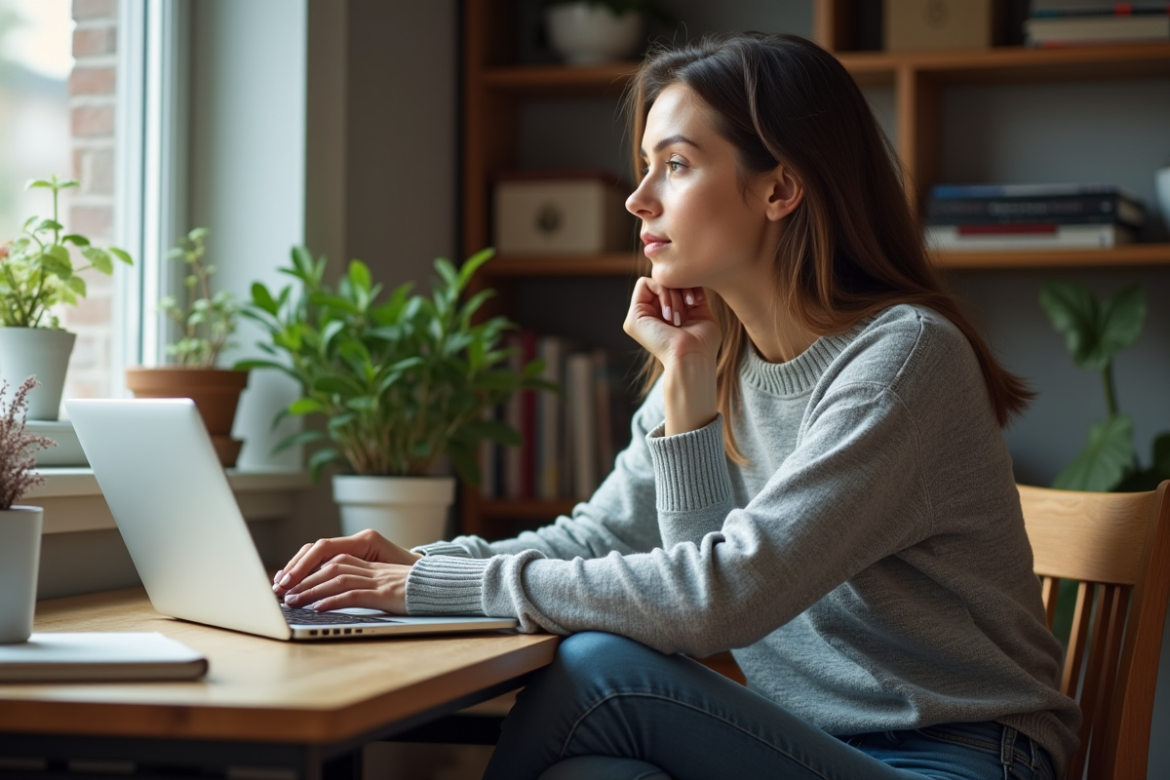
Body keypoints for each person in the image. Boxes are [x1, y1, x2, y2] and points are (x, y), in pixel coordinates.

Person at [272, 32, 1079, 780]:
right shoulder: (711, 358)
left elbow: (717, 600)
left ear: (782, 188)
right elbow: (601, 539)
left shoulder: (901, 360)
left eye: (678, 164)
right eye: (646, 166)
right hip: (801, 741)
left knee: (600, 671)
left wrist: (423, 592)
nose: (638, 200)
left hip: (956, 756)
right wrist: (419, 566)